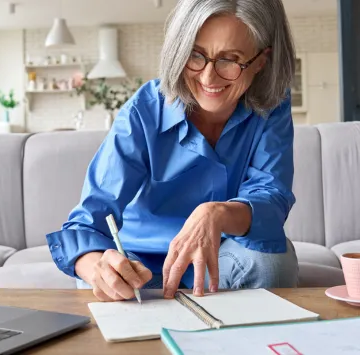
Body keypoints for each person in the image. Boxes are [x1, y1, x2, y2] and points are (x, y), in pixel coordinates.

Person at [46, 0, 299, 302]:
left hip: (219, 261)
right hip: (139, 268)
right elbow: (88, 219)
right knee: (98, 279)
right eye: (195, 55)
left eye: (230, 60)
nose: (208, 78)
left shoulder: (272, 106)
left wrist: (217, 213)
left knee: (273, 259)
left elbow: (271, 197)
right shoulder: (144, 111)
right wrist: (96, 266)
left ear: (261, 61)